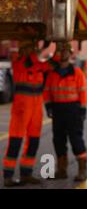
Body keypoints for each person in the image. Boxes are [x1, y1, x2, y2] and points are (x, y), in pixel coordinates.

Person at [3, 41, 60, 187]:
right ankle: (8, 177)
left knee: (33, 143)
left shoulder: (39, 66)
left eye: (33, 49)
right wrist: (43, 48)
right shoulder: (19, 64)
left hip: (35, 109)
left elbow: (53, 65)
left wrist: (59, 47)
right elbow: (31, 61)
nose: (33, 51)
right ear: (24, 51)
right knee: (15, 142)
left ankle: (26, 174)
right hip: (21, 109)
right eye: (31, 49)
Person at [43, 42, 87, 181]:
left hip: (73, 110)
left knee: (76, 140)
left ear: (70, 54)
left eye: (65, 51)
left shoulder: (76, 72)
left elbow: (83, 92)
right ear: (57, 54)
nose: (63, 54)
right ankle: (61, 170)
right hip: (58, 110)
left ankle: (82, 170)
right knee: (58, 140)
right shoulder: (52, 73)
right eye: (60, 52)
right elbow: (47, 91)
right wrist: (48, 106)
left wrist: (82, 109)